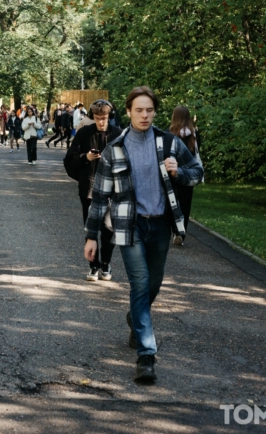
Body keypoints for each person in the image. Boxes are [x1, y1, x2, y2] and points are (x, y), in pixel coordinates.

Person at [83, 86, 203, 384]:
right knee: (139, 283)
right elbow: (99, 196)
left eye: (149, 110)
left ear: (155, 112)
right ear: (128, 112)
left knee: (153, 284)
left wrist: (179, 173)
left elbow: (197, 172)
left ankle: (135, 319)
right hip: (129, 226)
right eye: (139, 110)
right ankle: (146, 356)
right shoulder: (116, 149)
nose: (145, 115)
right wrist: (91, 236)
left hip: (161, 225)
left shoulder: (169, 143)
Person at [65, 100, 123, 282]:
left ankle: (106, 263)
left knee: (109, 229)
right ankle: (93, 266)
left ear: (110, 117)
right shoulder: (84, 133)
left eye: (104, 118)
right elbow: (69, 160)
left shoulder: (119, 135)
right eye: (97, 118)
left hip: (113, 190)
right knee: (90, 229)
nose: (100, 122)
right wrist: (86, 157)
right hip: (90, 188)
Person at [169, 106, 202, 246]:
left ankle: (174, 230)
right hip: (189, 173)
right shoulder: (194, 134)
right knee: (186, 204)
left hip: (173, 172)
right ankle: (181, 232)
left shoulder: (169, 133)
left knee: (172, 202)